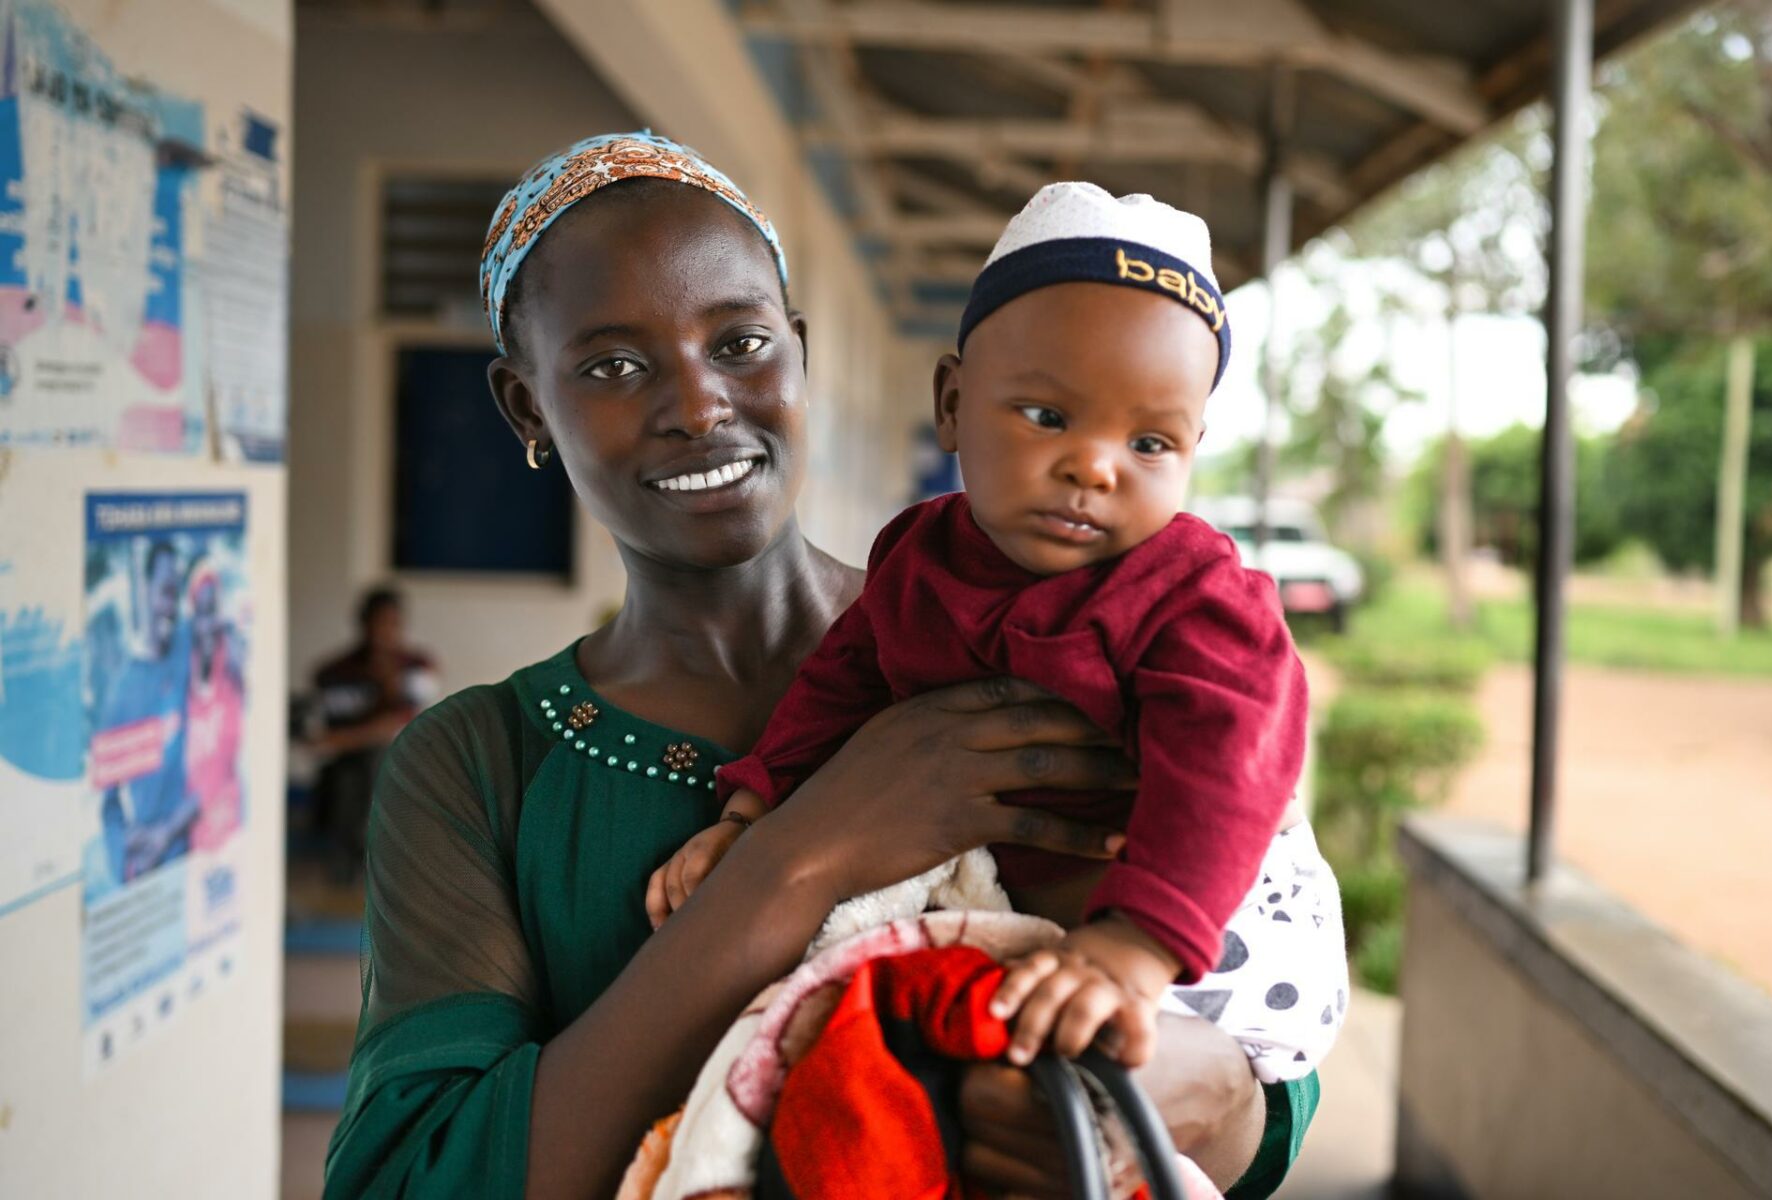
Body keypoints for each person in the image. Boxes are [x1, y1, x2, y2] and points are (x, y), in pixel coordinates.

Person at [325, 132, 1341, 1200]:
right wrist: (793, 861)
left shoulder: (1055, 638)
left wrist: (1161, 1091)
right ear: (528, 407)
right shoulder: (477, 765)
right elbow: (404, 1181)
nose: (700, 405)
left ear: (798, 354)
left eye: (741, 343)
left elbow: (1261, 1058)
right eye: (613, 366)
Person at [663, 182, 1306, 1073]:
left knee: (1095, 1108)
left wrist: (1137, 944)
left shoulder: (1191, 593)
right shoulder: (919, 559)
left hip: (1189, 932)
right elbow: (840, 684)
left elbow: (1230, 765)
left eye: (1150, 444)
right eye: (1048, 418)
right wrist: (753, 809)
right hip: (998, 910)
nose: (1094, 467)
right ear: (953, 404)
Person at [308, 587, 438, 877]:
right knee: (349, 775)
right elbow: (322, 728)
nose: (384, 632)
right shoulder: (334, 672)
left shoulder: (417, 667)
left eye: (392, 623)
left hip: (406, 762)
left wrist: (388, 678)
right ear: (362, 622)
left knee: (378, 759)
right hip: (347, 765)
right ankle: (351, 862)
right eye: (378, 622)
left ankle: (377, 860)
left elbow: (400, 721)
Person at [97, 539, 198, 883]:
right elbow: (109, 805)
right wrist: (129, 857)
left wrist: (167, 832)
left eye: (177, 594)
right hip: (155, 873)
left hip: (200, 852)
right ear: (145, 589)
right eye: (166, 592)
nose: (171, 606)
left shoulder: (189, 648)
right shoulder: (121, 693)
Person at [184, 561, 245, 854]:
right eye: (202, 613)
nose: (209, 625)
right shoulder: (182, 682)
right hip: (191, 838)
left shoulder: (232, 676)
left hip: (230, 832)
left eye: (214, 612)